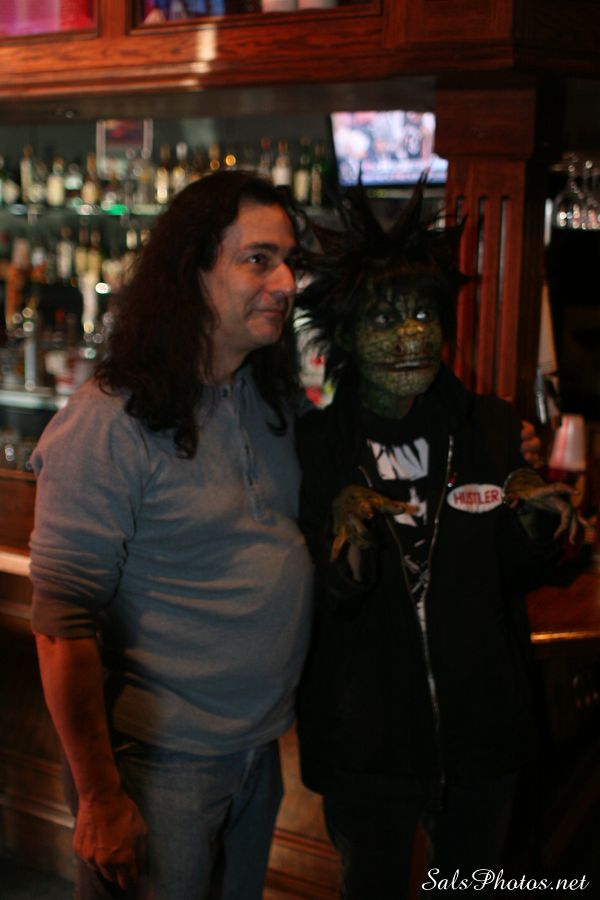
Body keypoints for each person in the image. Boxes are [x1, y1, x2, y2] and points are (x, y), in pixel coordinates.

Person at [29, 170, 314, 900]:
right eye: (259, 260)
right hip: (157, 765)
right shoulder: (108, 422)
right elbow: (61, 629)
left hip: (257, 750)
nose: (286, 283)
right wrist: (100, 798)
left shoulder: (267, 396)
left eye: (290, 262)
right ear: (193, 271)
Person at [293, 184, 576, 898]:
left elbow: (518, 572)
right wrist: (348, 535)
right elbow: (327, 595)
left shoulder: (488, 427)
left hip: (482, 738)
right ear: (345, 335)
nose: (412, 336)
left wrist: (538, 522)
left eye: (423, 313)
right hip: (367, 746)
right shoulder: (317, 446)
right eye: (384, 318)